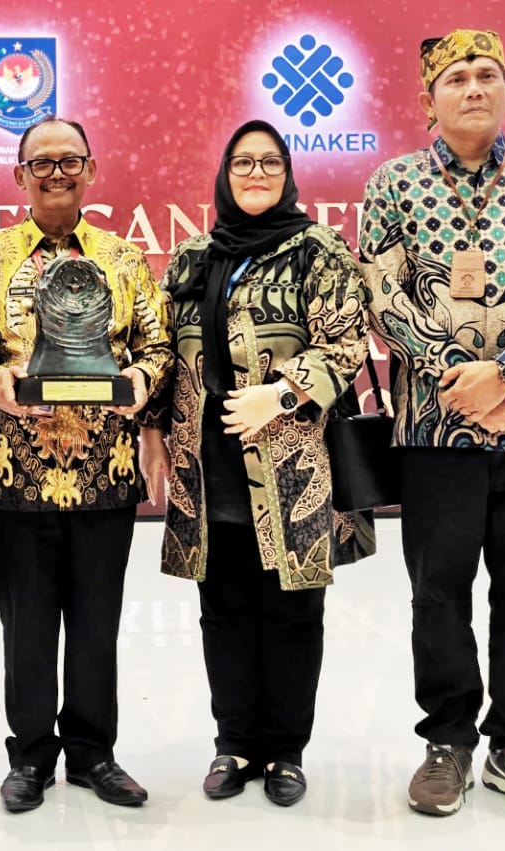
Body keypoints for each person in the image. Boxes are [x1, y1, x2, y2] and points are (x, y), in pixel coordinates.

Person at [359, 29, 505, 822]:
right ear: (428, 99)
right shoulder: (393, 184)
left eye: (487, 74)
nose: (472, 87)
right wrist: (460, 376)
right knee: (439, 592)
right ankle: (448, 742)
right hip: (436, 431)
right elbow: (384, 296)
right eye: (455, 77)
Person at [138, 120, 375, 807]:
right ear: (225, 173)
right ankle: (235, 742)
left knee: (294, 613)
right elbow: (164, 352)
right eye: (243, 162)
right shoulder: (195, 256)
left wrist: (282, 393)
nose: (256, 173)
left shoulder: (317, 250)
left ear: (288, 173)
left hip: (292, 466)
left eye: (270, 162)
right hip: (207, 468)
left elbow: (346, 342)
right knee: (223, 611)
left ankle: (286, 751)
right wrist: (152, 427)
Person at [0, 117, 172, 812]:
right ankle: (32, 756)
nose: (56, 173)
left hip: (107, 472)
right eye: (41, 163)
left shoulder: (125, 259)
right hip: (18, 472)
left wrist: (141, 381)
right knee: (28, 629)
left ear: (91, 170)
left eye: (70, 161)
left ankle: (94, 753)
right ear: (19, 175)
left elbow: (159, 347)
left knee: (98, 625)